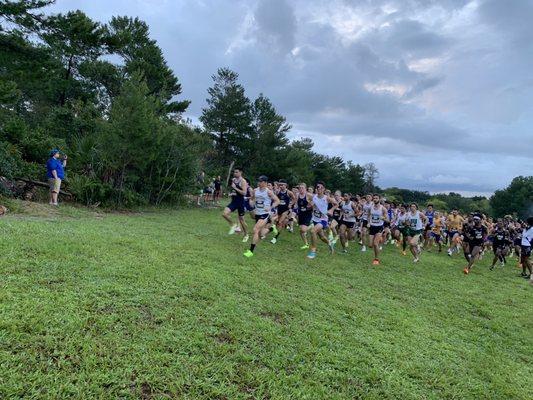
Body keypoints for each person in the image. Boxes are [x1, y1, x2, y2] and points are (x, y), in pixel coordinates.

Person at [243, 176, 280, 258]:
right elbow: (252, 199)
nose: (258, 182)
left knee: (255, 229)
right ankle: (271, 228)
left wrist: (270, 207)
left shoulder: (269, 192)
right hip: (257, 214)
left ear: (265, 182)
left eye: (260, 181)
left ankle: (250, 251)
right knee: (261, 233)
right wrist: (251, 203)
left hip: (265, 214)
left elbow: (277, 201)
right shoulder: (255, 190)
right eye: (258, 181)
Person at [307, 182, 336, 259]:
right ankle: (330, 244)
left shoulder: (326, 198)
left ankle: (313, 251)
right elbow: (309, 205)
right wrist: (310, 204)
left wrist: (331, 210)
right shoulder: (313, 196)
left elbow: (336, 204)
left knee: (313, 231)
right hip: (315, 219)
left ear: (324, 189)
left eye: (321, 187)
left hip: (323, 220)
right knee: (322, 237)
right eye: (317, 187)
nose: (319, 188)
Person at [222, 168, 249, 241]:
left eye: (236, 172)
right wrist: (232, 193)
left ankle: (246, 234)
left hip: (240, 202)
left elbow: (244, 193)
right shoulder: (233, 180)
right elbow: (234, 190)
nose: (235, 173)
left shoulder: (243, 181)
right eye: (234, 172)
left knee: (242, 220)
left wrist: (235, 188)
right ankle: (233, 225)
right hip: (234, 202)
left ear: (241, 172)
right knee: (224, 214)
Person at [366, 194, 389, 265]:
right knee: (370, 245)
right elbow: (368, 215)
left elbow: (388, 220)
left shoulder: (383, 208)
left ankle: (376, 259)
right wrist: (368, 222)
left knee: (375, 244)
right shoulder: (370, 208)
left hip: (379, 227)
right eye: (374, 198)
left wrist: (384, 218)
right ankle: (380, 239)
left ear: (379, 199)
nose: (375, 199)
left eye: (376, 198)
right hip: (372, 227)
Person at [270, 179, 295, 244]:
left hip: (285, 210)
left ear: (286, 185)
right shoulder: (278, 192)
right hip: (278, 209)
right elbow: (274, 199)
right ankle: (274, 230)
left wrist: (291, 204)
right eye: (280, 185)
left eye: (282, 185)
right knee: (276, 222)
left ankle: (275, 238)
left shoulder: (289, 192)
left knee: (280, 222)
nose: (281, 186)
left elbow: (294, 199)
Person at [296, 183, 314, 250]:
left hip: (307, 214)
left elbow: (315, 201)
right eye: (300, 188)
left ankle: (312, 225)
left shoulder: (309, 195)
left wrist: (311, 205)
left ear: (305, 189)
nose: (300, 189)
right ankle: (306, 244)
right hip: (300, 214)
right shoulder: (297, 195)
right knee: (301, 230)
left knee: (303, 229)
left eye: (302, 188)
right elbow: (296, 202)